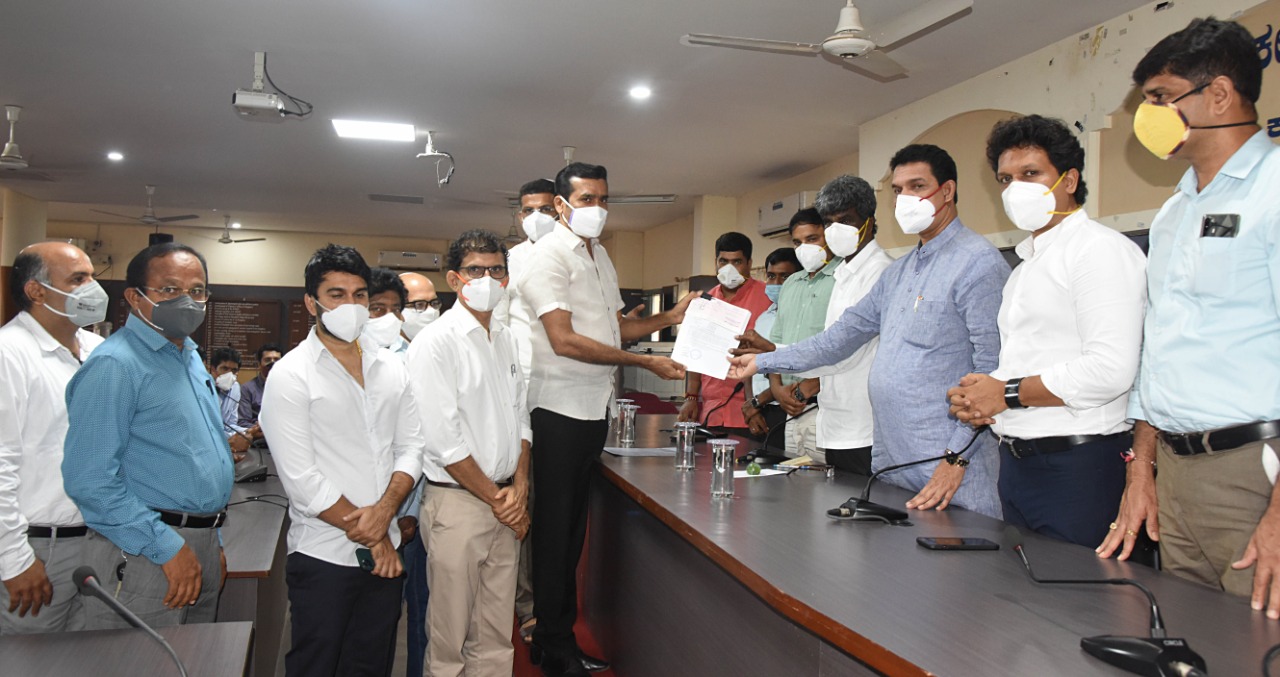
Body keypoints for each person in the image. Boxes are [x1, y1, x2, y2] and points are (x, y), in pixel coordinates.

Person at [1096, 18, 1280, 620]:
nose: (1148, 115)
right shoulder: (1174, 211)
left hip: (1254, 469)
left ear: (1219, 94)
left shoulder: (1273, 191)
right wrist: (1142, 471)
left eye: (1160, 97)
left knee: (1260, 645)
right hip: (1175, 472)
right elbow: (1160, 350)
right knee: (1189, 642)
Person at [730, 144, 1009, 519]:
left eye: (917, 186)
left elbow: (992, 372)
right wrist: (762, 361)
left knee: (954, 553)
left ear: (947, 191)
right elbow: (838, 339)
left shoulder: (978, 263)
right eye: (898, 190)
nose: (905, 199)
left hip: (945, 463)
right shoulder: (899, 272)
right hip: (891, 459)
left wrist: (957, 457)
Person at [516, 162, 693, 676]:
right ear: (560, 205)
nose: (598, 208)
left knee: (573, 532)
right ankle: (552, 644)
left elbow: (615, 329)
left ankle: (557, 637)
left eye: (603, 198)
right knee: (554, 534)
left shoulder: (599, 255)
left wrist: (667, 318)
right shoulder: (548, 256)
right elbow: (564, 340)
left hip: (594, 408)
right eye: (586, 199)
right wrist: (644, 364)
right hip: (557, 410)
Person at [946, 114, 1147, 547]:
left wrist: (1006, 393)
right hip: (1018, 464)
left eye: (1030, 174)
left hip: (1078, 465)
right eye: (1005, 179)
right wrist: (982, 396)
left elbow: (1110, 370)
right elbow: (1027, 361)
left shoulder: (1099, 250)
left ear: (1068, 180)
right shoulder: (1025, 267)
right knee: (1017, 588)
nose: (1015, 189)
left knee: (1077, 591)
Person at [259, 244, 424, 675]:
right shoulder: (291, 374)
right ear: (311, 302)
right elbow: (303, 481)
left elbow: (411, 447)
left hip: (386, 552)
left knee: (371, 664)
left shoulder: (391, 366)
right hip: (324, 556)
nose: (350, 305)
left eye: (359, 295)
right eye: (336, 295)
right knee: (316, 665)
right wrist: (375, 537)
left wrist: (384, 515)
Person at [64, 242, 234, 628]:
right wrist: (165, 546)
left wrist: (212, 539)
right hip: (146, 550)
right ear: (134, 297)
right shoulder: (115, 365)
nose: (187, 300)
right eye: (170, 289)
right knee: (142, 658)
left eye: (197, 290)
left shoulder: (189, 358)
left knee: (196, 658)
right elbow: (90, 480)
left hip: (202, 542)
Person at [408, 229, 531, 677]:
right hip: (459, 503)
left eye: (496, 270)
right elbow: (444, 441)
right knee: (449, 638)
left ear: (506, 278)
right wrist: (501, 501)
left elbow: (521, 419)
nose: (487, 279)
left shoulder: (506, 337)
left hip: (506, 501)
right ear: (454, 279)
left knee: (496, 636)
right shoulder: (435, 342)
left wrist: (519, 488)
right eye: (475, 270)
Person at [0, 243, 106, 634]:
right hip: (39, 548)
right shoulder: (9, 353)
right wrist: (14, 560)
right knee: (32, 660)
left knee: (96, 659)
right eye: (78, 279)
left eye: (92, 276)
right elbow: (1, 462)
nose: (93, 288)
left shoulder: (98, 350)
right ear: (36, 291)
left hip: (99, 541)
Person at [809, 175, 893, 475]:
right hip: (838, 422)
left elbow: (842, 352)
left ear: (869, 222)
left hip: (864, 427)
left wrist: (771, 354)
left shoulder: (880, 271)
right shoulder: (843, 274)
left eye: (845, 220)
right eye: (829, 223)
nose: (835, 231)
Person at [508, 177, 557, 644]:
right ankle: (525, 605)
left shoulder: (580, 257)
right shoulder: (510, 262)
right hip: (517, 398)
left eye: (545, 208)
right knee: (520, 502)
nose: (535, 217)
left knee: (550, 514)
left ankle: (547, 607)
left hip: (562, 402)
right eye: (528, 210)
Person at [678, 232, 772, 432]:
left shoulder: (767, 297)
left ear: (749, 263)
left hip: (755, 410)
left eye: (737, 262)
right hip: (712, 411)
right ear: (716, 262)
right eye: (723, 261)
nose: (729, 268)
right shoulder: (704, 302)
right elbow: (695, 353)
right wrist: (691, 397)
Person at [767, 208, 840, 461]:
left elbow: (850, 346)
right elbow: (776, 343)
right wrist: (776, 388)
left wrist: (809, 387)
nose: (804, 248)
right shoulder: (790, 283)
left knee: (824, 481)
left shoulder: (843, 278)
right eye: (797, 243)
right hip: (789, 407)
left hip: (825, 406)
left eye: (812, 239)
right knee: (792, 478)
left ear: (828, 236)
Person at [740, 247, 800, 440]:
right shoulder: (764, 318)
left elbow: (795, 368)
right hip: (759, 410)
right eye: (771, 276)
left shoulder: (801, 319)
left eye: (785, 277)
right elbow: (750, 365)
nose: (776, 283)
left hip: (787, 407)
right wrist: (752, 405)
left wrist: (758, 402)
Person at [210, 346, 252, 462]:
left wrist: (249, 431)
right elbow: (208, 429)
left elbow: (230, 424)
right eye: (224, 368)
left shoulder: (235, 388)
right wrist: (235, 437)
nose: (229, 374)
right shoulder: (203, 389)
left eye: (234, 370)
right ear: (213, 369)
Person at [236, 342, 282, 440]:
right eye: (268, 360)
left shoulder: (290, 387)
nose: (272, 363)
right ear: (259, 364)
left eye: (277, 360)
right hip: (259, 439)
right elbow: (243, 422)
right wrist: (260, 429)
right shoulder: (247, 389)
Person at [399, 272, 441, 343]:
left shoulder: (444, 346)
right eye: (419, 304)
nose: (431, 311)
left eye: (434, 303)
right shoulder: (383, 348)